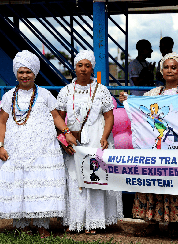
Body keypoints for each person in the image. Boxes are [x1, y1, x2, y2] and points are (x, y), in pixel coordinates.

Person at [0, 50, 77, 238]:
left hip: (42, 150)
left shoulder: (44, 95)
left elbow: (55, 117)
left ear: (35, 73)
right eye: (21, 72)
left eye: (28, 72)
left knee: (41, 186)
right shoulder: (9, 96)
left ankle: (43, 225)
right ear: (16, 74)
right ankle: (22, 225)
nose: (24, 76)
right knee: (18, 185)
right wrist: (0, 146)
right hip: (14, 150)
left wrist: (66, 132)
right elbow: (2, 122)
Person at [119, 52, 178, 237]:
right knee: (153, 181)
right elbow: (140, 110)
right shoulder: (154, 93)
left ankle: (173, 225)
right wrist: (128, 101)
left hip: (176, 149)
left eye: (174, 67)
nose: (170, 71)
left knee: (173, 182)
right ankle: (151, 223)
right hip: (154, 148)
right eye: (167, 67)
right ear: (161, 71)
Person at [57, 50, 123, 234]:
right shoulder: (65, 91)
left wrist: (104, 136)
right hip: (72, 141)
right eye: (80, 65)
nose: (83, 69)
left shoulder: (102, 91)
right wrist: (66, 137)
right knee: (74, 177)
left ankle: (93, 221)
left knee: (94, 176)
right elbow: (59, 118)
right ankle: (74, 220)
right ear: (75, 67)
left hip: (95, 138)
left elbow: (109, 116)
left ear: (92, 68)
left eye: (87, 65)